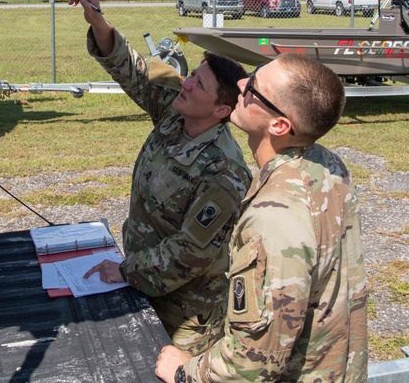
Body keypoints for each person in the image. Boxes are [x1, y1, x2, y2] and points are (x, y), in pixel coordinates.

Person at [155, 54, 367, 383]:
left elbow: (251, 364)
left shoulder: (273, 218)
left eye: (253, 86)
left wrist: (186, 371)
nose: (241, 83)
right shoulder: (326, 164)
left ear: (279, 126)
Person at [70, 0, 252, 355]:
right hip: (142, 280)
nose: (184, 84)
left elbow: (190, 253)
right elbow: (133, 70)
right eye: (191, 76)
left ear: (221, 110)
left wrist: (123, 271)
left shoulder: (224, 172)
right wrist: (99, 21)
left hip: (184, 314)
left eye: (198, 85)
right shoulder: (176, 111)